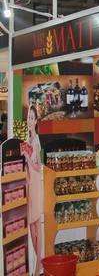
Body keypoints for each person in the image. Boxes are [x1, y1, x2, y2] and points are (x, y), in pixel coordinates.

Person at [23, 104, 43, 275]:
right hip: (29, 182)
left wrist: (27, 158)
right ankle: (37, 264)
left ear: (36, 121)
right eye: (28, 117)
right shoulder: (28, 139)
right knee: (32, 226)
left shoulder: (36, 140)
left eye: (31, 118)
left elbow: (38, 167)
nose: (29, 120)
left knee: (35, 223)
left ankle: (38, 267)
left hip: (35, 182)